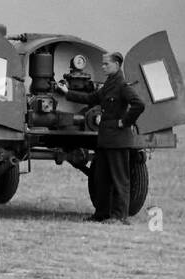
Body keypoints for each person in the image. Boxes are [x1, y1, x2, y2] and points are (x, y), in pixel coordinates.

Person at [56, 51, 144, 224]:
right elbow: (91, 98)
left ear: (117, 65)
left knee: (119, 180)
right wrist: (67, 92)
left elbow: (139, 104)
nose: (103, 67)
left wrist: (125, 122)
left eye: (106, 64)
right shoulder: (109, 85)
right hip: (104, 140)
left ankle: (119, 217)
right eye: (103, 64)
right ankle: (101, 214)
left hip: (118, 140)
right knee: (101, 178)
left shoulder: (122, 86)